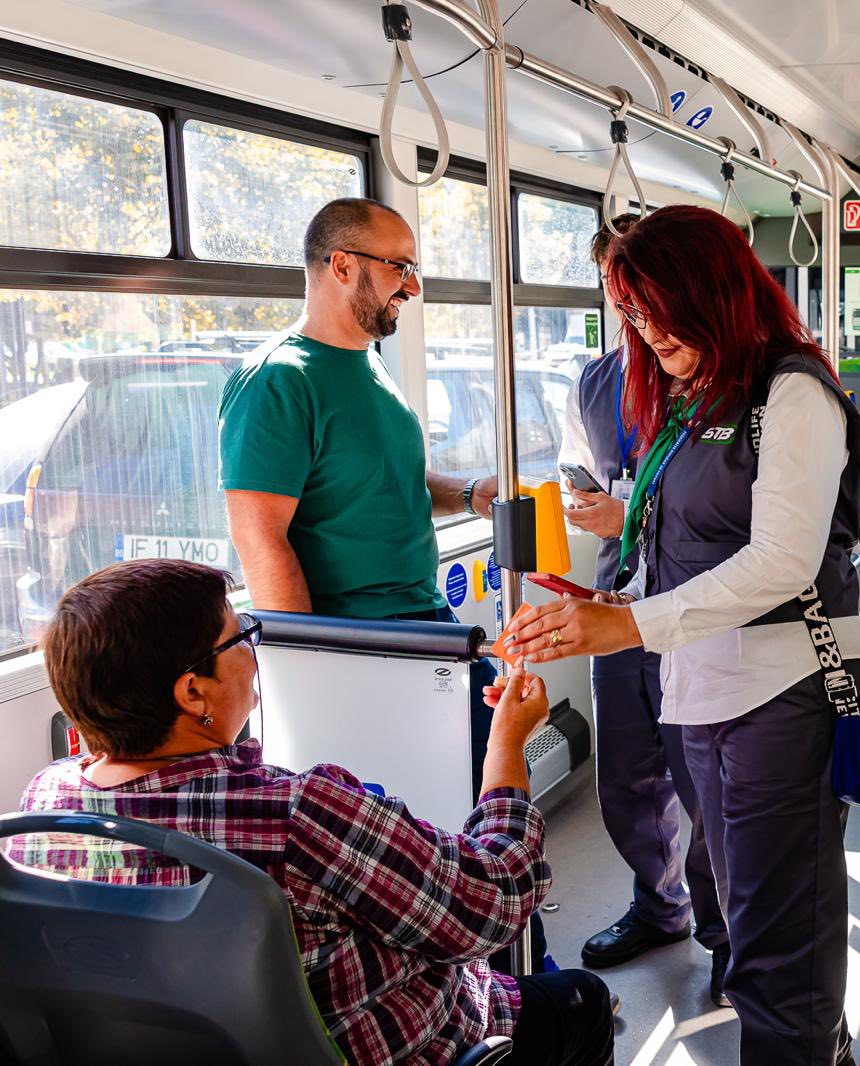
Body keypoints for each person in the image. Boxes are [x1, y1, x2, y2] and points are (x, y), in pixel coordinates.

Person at [500, 205, 860, 1066]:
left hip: (782, 693)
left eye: (661, 306)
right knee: (747, 914)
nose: (647, 328)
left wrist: (626, 622)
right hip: (700, 687)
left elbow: (781, 562)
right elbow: (682, 539)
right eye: (633, 310)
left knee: (779, 939)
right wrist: (595, 604)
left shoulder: (791, 392)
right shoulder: (692, 398)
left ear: (715, 292)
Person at [6, 559, 614, 1066]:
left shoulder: (44, 807)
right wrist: (506, 743)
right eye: (240, 637)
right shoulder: (296, 816)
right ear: (192, 692)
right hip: (402, 1047)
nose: (251, 652)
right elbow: (494, 899)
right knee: (580, 999)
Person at [218, 196, 506, 801]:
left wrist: (471, 493)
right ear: (343, 265)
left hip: (424, 625)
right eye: (401, 267)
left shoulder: (370, 366)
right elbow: (260, 536)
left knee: (484, 789)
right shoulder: (279, 379)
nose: (414, 287)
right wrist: (308, 670)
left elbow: (389, 482)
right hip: (359, 642)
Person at [557, 214, 728, 1002]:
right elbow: (580, 476)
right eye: (616, 292)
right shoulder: (593, 384)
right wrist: (592, 509)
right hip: (617, 596)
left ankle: (727, 932)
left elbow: (726, 512)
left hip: (697, 605)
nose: (632, 311)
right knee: (626, 772)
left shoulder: (714, 374)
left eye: (643, 293)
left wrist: (626, 510)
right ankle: (660, 907)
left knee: (706, 781)